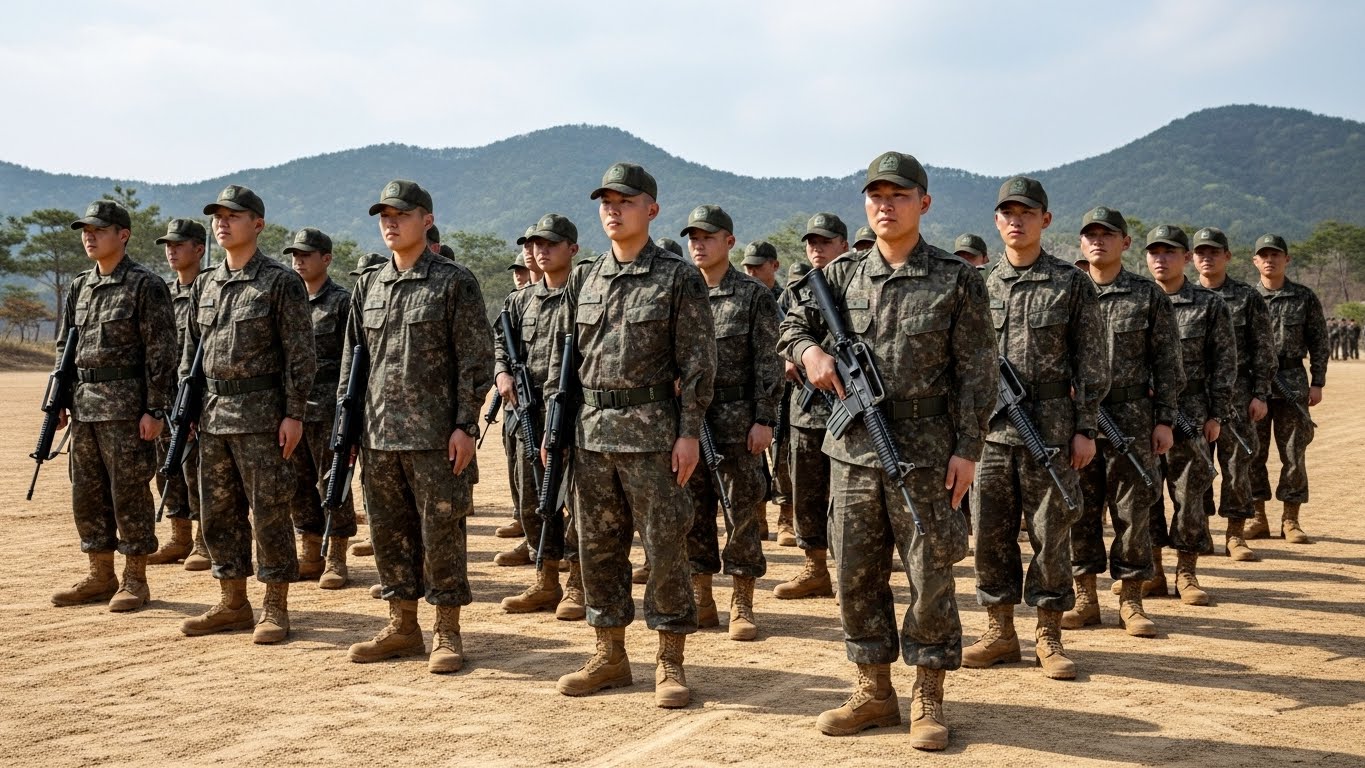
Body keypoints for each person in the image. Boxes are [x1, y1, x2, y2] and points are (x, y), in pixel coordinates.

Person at [782, 152, 993, 749]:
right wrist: (810, 355)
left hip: (926, 454)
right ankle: (874, 690)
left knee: (930, 574)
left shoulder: (956, 278)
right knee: (855, 572)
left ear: (923, 203)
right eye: (875, 195)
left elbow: (978, 373)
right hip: (852, 451)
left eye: (898, 195)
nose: (885, 204)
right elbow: (791, 326)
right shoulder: (841, 276)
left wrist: (968, 449)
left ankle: (928, 696)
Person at [548, 162, 716, 708]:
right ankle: (610, 654)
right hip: (592, 434)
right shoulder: (584, 277)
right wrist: (557, 424)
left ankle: (669, 661)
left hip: (653, 436)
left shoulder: (676, 276)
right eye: (605, 201)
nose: (613, 209)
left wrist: (689, 431)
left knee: (665, 547)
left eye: (625, 200)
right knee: (597, 548)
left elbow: (697, 363)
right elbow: (563, 358)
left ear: (651, 209)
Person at [342, 180, 492, 672]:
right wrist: (347, 429)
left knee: (441, 531)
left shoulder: (453, 281)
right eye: (383, 215)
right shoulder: (368, 284)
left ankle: (446, 629)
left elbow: (475, 359)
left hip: (434, 436)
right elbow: (354, 362)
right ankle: (402, 624)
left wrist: (464, 425)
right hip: (378, 434)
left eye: (400, 214)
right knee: (389, 532)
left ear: (426, 220)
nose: (390, 222)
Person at [966, 176, 1106, 680]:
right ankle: (1000, 631)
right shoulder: (977, 285)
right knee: (989, 533)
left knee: (1051, 532)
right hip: (990, 434)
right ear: (997, 221)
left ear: (1045, 220)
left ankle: (1048, 632)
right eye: (1008, 213)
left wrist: (1085, 426)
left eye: (1027, 212)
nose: (1016, 221)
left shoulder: (1071, 283)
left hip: (1051, 429)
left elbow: (1092, 362)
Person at [179, 185, 316, 644]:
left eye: (233, 216)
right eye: (218, 216)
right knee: (218, 513)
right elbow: (191, 351)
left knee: (270, 510)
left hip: (262, 416)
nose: (222, 222)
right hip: (214, 414)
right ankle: (232, 601)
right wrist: (187, 406)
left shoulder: (279, 282)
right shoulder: (205, 282)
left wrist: (293, 413)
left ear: (257, 223)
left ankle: (275, 604)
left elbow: (301, 355)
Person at [50, 200, 177, 613]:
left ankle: (135, 579)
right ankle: (99, 574)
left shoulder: (145, 284)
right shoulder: (79, 287)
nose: (89, 236)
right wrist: (59, 399)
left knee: (129, 493)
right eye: (85, 230)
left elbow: (162, 353)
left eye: (98, 229)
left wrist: (156, 409)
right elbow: (64, 347)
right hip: (85, 407)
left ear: (122, 234)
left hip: (127, 411)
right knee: (86, 493)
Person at [1065, 207, 1181, 637]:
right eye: (1090, 234)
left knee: (1133, 509)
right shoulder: (1068, 291)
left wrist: (1165, 419)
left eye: (1107, 234)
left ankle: (1131, 599)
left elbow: (1168, 364)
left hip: (1133, 417)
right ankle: (1085, 598)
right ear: (1081, 242)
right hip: (1080, 419)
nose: (1098, 241)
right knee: (1080, 508)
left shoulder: (1147, 295)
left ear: (1125, 243)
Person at [681, 205, 781, 641]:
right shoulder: (679, 292)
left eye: (708, 237)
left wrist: (764, 418)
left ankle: (742, 602)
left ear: (729, 242)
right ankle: (702, 597)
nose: (698, 244)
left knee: (742, 509)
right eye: (693, 237)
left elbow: (770, 362)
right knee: (692, 509)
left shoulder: (753, 295)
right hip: (688, 420)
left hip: (738, 419)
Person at [1143, 225, 1235, 606]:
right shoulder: (1136, 299)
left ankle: (1187, 572)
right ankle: (1151, 572)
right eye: (1155, 252)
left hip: (1191, 413)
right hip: (1141, 414)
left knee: (1190, 495)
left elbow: (1224, 362)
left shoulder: (1209, 304)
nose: (1161, 259)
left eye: (1170, 252)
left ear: (1185, 258)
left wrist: (1217, 413)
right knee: (1143, 496)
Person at [493, 213, 579, 614]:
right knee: (532, 497)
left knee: (579, 502)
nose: (539, 251)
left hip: (575, 416)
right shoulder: (518, 300)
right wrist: (501, 373)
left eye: (550, 244)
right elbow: (500, 343)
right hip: (528, 414)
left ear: (572, 249)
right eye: (535, 245)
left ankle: (578, 582)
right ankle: (545, 579)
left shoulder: (584, 295)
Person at [774, 212, 850, 599]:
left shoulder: (856, 285)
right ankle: (814, 568)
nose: (816, 248)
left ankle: (846, 571)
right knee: (807, 491)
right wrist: (799, 353)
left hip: (847, 411)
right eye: (811, 242)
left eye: (825, 241)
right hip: (806, 411)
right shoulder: (798, 292)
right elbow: (787, 333)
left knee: (847, 497)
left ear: (843, 245)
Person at [1191, 227, 1276, 562]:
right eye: (1201, 252)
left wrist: (1260, 393)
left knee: (1236, 465)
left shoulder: (1246, 297)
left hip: (1238, 396)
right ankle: (1197, 533)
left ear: (1227, 256)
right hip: (1194, 398)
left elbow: (1263, 349)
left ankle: (1235, 535)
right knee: (1195, 468)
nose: (1207, 258)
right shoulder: (1182, 296)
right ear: (1192, 258)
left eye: (1214, 252)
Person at [283, 227, 356, 588]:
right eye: (294, 255)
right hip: (293, 408)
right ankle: (310, 552)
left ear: (325, 259)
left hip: (329, 408)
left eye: (305, 255)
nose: (298, 261)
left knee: (332, 480)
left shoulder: (341, 302)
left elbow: (352, 359)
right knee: (298, 483)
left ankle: (336, 557)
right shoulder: (286, 300)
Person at [1246, 234, 1328, 543]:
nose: (1270, 259)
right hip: (1256, 386)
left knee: (1294, 454)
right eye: (1263, 255)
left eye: (1275, 254)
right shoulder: (1246, 297)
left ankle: (1291, 520)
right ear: (1255, 261)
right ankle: (1257, 516)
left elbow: (1319, 341)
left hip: (1292, 384)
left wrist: (1317, 381)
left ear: (1287, 259)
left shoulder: (1303, 297)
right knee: (1253, 453)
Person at [147, 218, 210, 570]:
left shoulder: (210, 289)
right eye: (167, 245)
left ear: (198, 249)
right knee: (165, 467)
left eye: (178, 244)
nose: (171, 250)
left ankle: (203, 540)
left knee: (197, 470)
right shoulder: (164, 295)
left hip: (195, 398)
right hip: (164, 396)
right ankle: (179, 535)